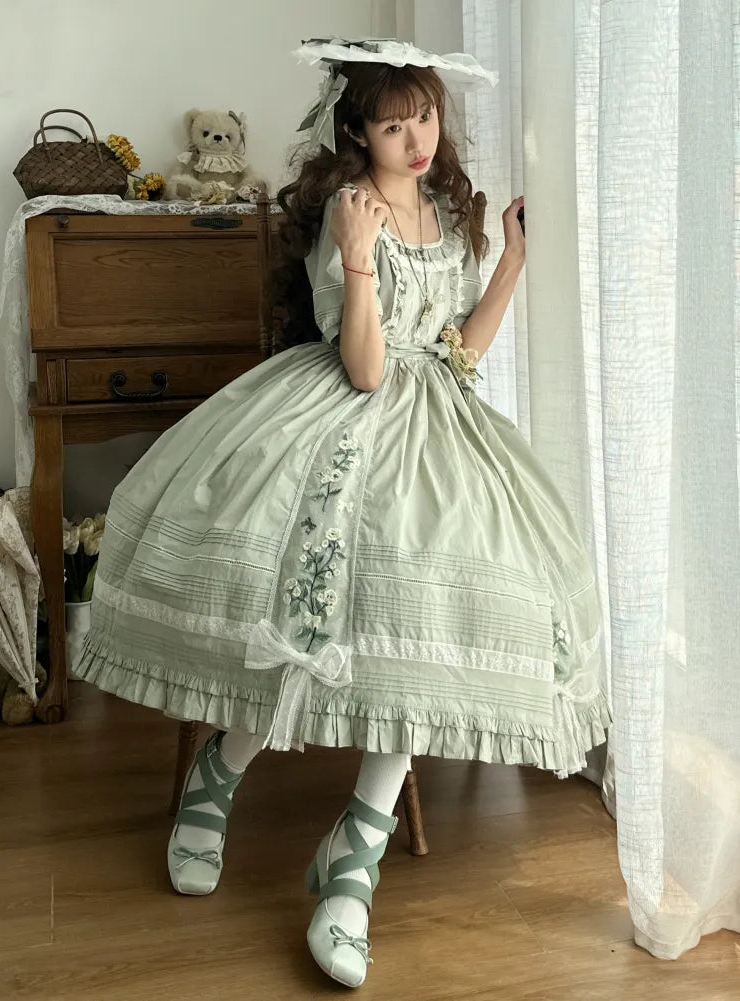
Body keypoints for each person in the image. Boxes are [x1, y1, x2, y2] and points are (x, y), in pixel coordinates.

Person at [71, 37, 612, 990]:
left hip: (438, 425)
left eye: (425, 118)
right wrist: (359, 263)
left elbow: (457, 355)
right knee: (300, 603)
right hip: (342, 411)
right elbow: (364, 368)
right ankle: (217, 776)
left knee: (418, 614)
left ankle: (353, 858)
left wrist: (511, 263)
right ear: (357, 131)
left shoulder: (448, 209)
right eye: (394, 124)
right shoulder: (349, 210)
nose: (416, 139)